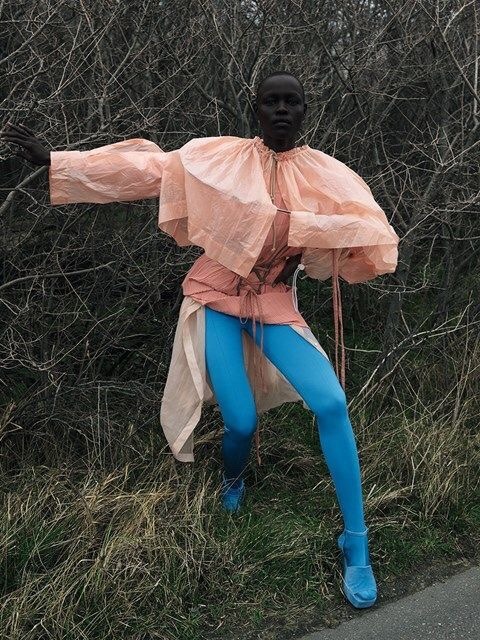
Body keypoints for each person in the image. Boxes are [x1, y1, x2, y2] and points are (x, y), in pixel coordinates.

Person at [0, 71, 399, 609]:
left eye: (292, 102)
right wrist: (61, 163)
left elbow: (367, 232)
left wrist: (317, 233)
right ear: (255, 109)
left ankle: (356, 542)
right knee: (239, 419)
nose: (281, 111)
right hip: (216, 296)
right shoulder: (222, 158)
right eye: (271, 102)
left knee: (330, 401)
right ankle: (234, 478)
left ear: (307, 110)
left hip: (273, 301)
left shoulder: (329, 175)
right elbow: (150, 168)